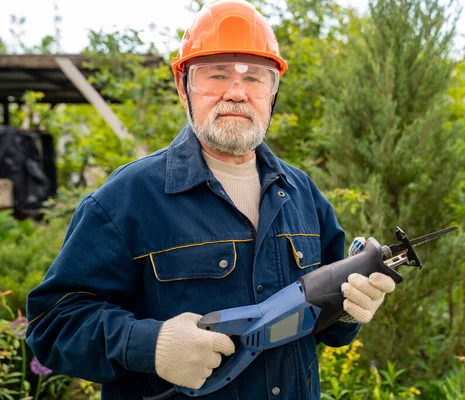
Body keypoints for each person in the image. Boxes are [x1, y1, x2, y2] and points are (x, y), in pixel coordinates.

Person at [25, 0, 396, 398]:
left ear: (272, 92)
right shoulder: (126, 199)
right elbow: (52, 324)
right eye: (216, 75)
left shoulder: (303, 194)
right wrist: (152, 345)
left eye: (255, 77)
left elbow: (323, 324)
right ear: (183, 87)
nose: (236, 93)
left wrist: (350, 310)